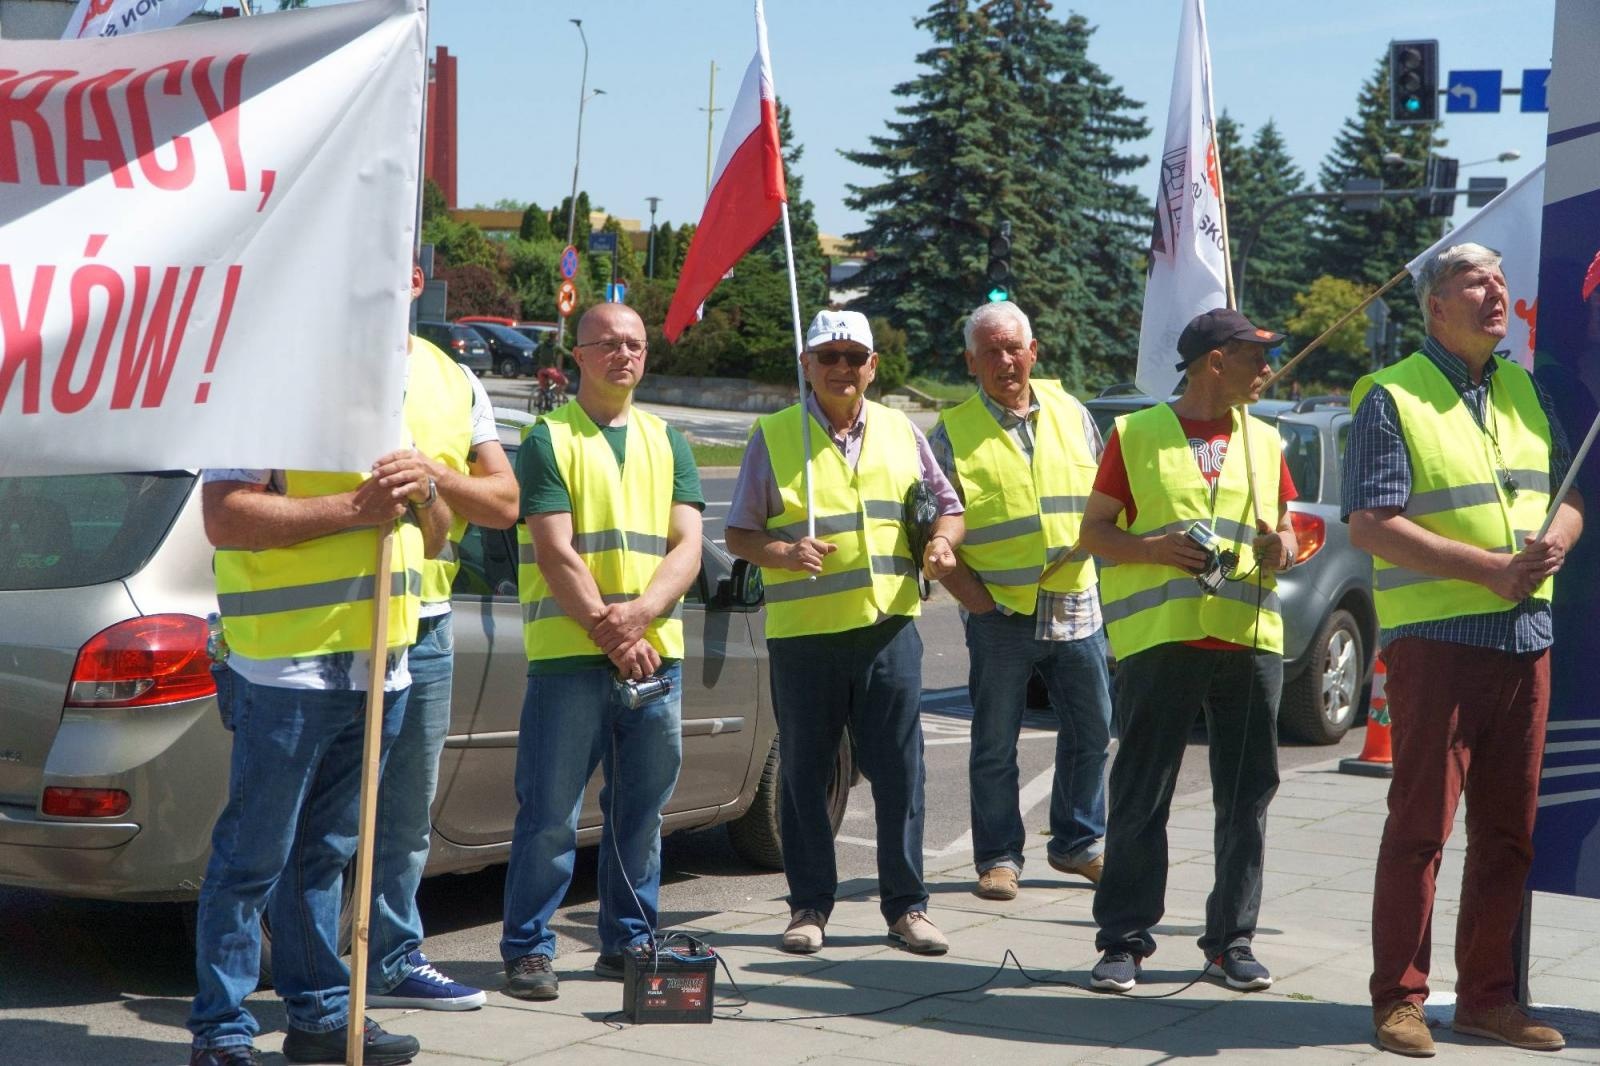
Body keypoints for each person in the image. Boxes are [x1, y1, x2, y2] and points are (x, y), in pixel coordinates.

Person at [1349, 244, 1582, 1057]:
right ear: (1434, 305)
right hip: (1438, 645)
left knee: (1509, 833)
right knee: (1420, 829)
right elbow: (1373, 523)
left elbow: (1571, 496)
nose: (1496, 292)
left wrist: (1555, 538)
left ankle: (1487, 999)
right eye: (1475, 281)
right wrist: (1489, 568)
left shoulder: (1523, 389)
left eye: (1502, 279)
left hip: (1527, 642)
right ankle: (1399, 1002)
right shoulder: (1391, 395)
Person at [188, 376, 453, 1063]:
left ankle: (322, 1016)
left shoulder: (387, 403)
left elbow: (439, 535)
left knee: (325, 857)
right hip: (288, 667)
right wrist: (354, 507)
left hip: (380, 667)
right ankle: (222, 1032)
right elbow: (224, 517)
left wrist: (426, 492)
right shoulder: (264, 395)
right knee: (252, 857)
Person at [725, 309, 964, 957]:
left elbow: (949, 509)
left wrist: (943, 546)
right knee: (805, 777)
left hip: (889, 629)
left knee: (901, 774)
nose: (840, 368)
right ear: (806, 364)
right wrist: (779, 554)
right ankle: (809, 909)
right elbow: (738, 534)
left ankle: (907, 908)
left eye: (853, 357)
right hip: (805, 638)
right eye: (827, 356)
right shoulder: (774, 435)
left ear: (873, 367)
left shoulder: (899, 430)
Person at [1078, 307, 1299, 996]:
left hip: (1247, 640)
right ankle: (1123, 943)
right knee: (1142, 796)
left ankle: (1231, 942)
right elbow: (1093, 533)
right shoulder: (1136, 433)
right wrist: (1148, 549)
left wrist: (1282, 547)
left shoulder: (1265, 440)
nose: (1267, 368)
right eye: (1255, 356)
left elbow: (1289, 535)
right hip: (1161, 640)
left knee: (1246, 798)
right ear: (1214, 362)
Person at [500, 303, 704, 1001]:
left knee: (641, 814)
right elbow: (555, 551)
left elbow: (688, 546)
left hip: (653, 656)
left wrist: (642, 618)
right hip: (571, 656)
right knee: (549, 813)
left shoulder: (668, 440)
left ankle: (630, 942)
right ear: (577, 355)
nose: (624, 354)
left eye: (635, 344)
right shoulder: (546, 439)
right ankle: (528, 949)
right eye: (608, 343)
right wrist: (613, 632)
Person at [363, 265, 521, 1012]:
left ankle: (392, 960)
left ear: (420, 279)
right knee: (325, 819)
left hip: (422, 628)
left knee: (404, 815)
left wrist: (433, 477)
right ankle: (319, 969)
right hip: (337, 626)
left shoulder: (453, 379)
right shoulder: (315, 363)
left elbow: (504, 502)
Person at [926, 301, 1112, 901]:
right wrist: (976, 601)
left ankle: (1078, 841)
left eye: (1014, 348)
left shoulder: (1073, 413)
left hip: (1077, 603)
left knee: (1092, 728)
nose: (1005, 361)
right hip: (1000, 612)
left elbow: (1106, 499)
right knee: (994, 743)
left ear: (1034, 352)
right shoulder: (950, 434)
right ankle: (999, 857)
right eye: (990, 352)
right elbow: (934, 530)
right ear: (971, 362)